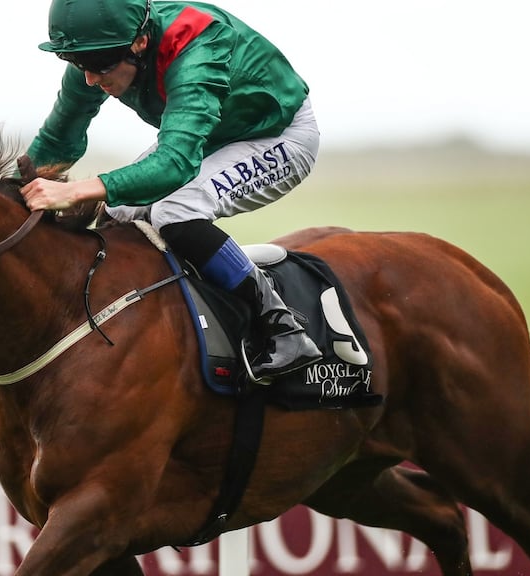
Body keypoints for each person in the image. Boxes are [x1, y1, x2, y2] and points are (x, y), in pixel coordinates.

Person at [20, 0, 322, 380]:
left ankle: (282, 327)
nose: (90, 80)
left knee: (173, 211)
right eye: (80, 64)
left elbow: (175, 163)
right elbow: (58, 141)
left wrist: (77, 190)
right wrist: (14, 189)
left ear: (141, 43)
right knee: (116, 214)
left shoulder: (197, 44)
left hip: (277, 135)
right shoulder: (103, 47)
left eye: (99, 66)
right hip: (211, 135)